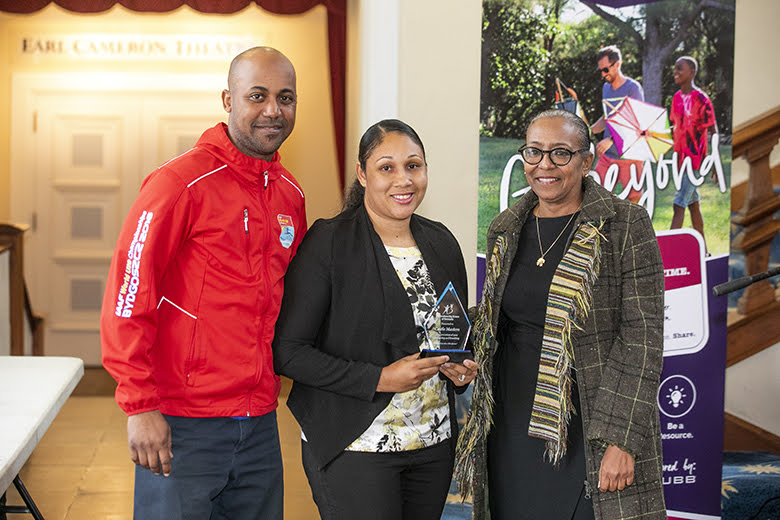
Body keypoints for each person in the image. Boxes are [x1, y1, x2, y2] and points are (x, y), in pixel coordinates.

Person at [100, 46, 306, 519]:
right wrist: (139, 405)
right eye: (257, 96)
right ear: (228, 100)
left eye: (285, 98)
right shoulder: (179, 183)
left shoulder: (290, 195)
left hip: (258, 421)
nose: (273, 110)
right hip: (183, 422)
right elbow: (129, 294)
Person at [456, 109, 666, 520]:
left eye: (560, 153)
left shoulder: (625, 224)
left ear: (586, 162)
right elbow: (501, 317)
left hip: (591, 419)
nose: (544, 165)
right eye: (534, 152)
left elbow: (642, 337)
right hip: (511, 418)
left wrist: (621, 439)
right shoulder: (506, 227)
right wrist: (454, 340)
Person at [272, 119, 478, 520]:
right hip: (355, 445)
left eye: (413, 166)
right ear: (362, 174)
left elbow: (452, 335)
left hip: (432, 445)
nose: (403, 179)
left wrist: (460, 369)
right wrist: (380, 378)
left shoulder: (442, 242)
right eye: (387, 167)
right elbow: (288, 352)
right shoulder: (329, 242)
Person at [669, 56, 717, 250]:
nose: (675, 72)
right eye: (675, 68)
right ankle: (704, 251)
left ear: (692, 72)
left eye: (680, 68)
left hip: (696, 161)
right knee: (693, 204)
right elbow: (676, 127)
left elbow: (713, 130)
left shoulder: (702, 99)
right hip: (680, 162)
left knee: (679, 203)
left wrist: (714, 161)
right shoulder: (676, 98)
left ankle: (668, 252)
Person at [590, 45, 645, 202]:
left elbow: (636, 123)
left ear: (617, 65)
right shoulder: (606, 88)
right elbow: (606, 117)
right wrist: (588, 130)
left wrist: (611, 140)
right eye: (601, 70)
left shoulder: (633, 88)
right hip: (608, 156)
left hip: (630, 156)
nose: (603, 74)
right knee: (596, 198)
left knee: (635, 202)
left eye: (606, 69)